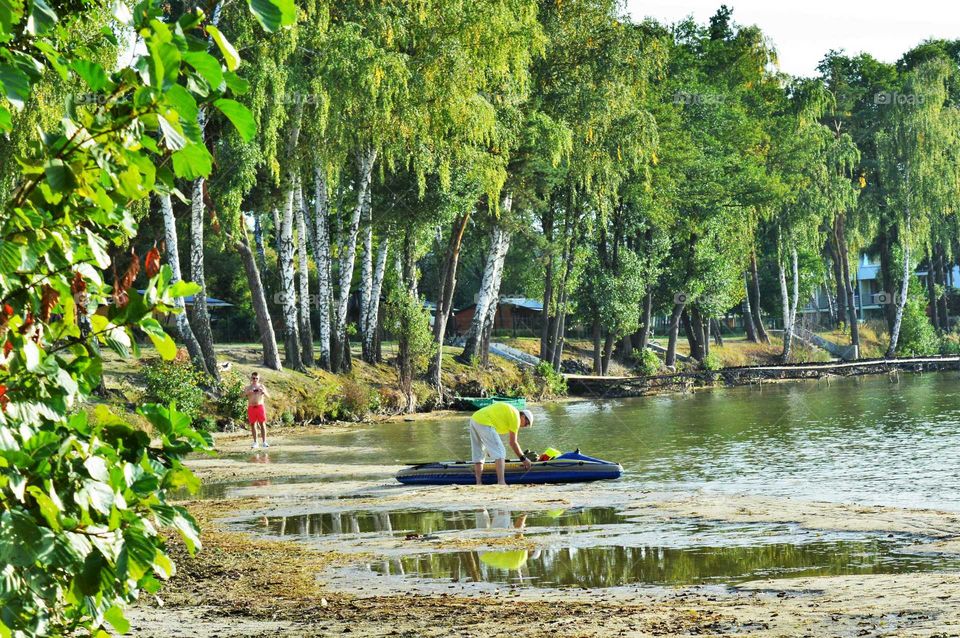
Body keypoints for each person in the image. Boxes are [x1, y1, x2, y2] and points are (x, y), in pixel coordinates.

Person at [469, 402, 533, 486]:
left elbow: (491, 436)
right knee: (501, 452)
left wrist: (489, 449)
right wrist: (524, 459)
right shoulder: (516, 418)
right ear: (523, 416)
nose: (525, 426)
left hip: (474, 419)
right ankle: (501, 482)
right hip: (484, 421)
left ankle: (478, 483)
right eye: (526, 423)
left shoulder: (510, 415)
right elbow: (513, 443)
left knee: (479, 454)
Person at [244, 372, 270, 449]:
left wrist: (263, 392)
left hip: (260, 407)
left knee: (262, 423)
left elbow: (268, 396)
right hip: (251, 407)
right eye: (253, 378)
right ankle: (255, 442)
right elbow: (241, 395)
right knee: (253, 424)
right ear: (251, 378)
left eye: (256, 378)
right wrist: (248, 392)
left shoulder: (261, 386)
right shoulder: (248, 387)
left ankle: (264, 442)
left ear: (259, 379)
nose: (255, 379)